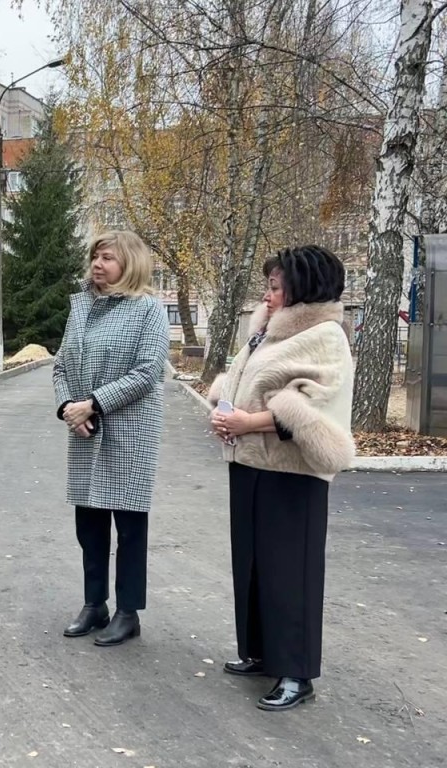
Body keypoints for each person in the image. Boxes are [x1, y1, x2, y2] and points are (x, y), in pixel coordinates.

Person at [208, 245, 355, 711]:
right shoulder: (268, 334)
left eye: (276, 287)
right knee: (253, 564)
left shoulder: (325, 335)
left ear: (302, 288)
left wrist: (248, 422)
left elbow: (314, 402)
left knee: (292, 572)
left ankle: (296, 672)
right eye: (268, 287)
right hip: (250, 461)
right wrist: (224, 407)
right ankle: (261, 652)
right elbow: (239, 381)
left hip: (293, 472)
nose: (268, 296)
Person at [52, 231, 170, 647]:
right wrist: (69, 407)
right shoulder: (80, 306)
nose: (97, 265)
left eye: (107, 258)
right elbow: (61, 365)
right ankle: (94, 604)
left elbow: (147, 371)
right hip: (84, 430)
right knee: (90, 525)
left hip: (129, 431)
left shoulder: (149, 310)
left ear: (130, 263)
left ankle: (128, 612)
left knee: (131, 527)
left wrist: (93, 404)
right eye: (95, 257)